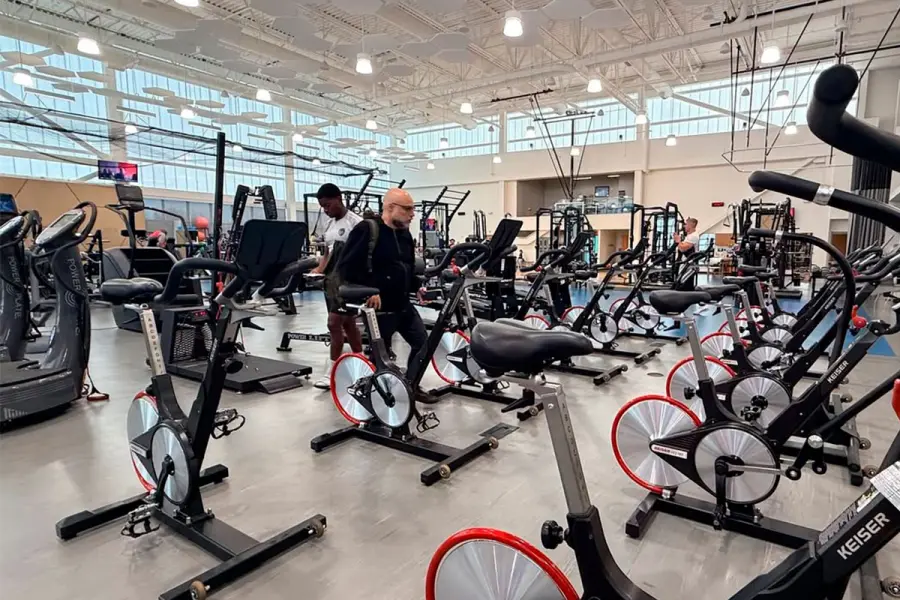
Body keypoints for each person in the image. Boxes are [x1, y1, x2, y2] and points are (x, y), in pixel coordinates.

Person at [338, 188, 430, 393]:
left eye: (412, 209)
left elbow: (406, 266)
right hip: (378, 308)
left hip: (402, 304)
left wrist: (417, 287)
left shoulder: (404, 233)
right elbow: (347, 267)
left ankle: (411, 388)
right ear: (390, 207)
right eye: (407, 209)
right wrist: (370, 289)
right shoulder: (367, 229)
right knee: (382, 358)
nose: (412, 213)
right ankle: (379, 397)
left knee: (423, 344)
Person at [312, 183, 364, 390]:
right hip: (331, 281)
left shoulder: (356, 223)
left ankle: (332, 371)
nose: (326, 209)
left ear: (338, 198)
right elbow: (327, 254)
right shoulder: (329, 225)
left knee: (333, 324)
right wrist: (318, 270)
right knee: (348, 324)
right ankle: (360, 361)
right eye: (323, 207)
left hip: (348, 281)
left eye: (328, 204)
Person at [673, 217, 700, 290]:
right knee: (681, 283)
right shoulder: (689, 236)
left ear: (691, 225)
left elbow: (682, 249)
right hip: (685, 263)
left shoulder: (693, 236)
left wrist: (678, 241)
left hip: (688, 265)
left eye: (686, 224)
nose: (684, 226)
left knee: (685, 286)